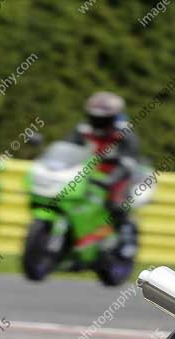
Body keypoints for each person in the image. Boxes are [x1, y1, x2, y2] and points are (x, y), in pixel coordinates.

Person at [66, 91, 141, 258]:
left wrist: (113, 176)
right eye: (94, 116)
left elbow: (130, 159)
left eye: (102, 118)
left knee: (117, 204)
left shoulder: (124, 131)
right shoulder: (83, 128)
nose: (97, 121)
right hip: (87, 174)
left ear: (113, 116)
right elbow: (68, 147)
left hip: (117, 175)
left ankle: (126, 241)